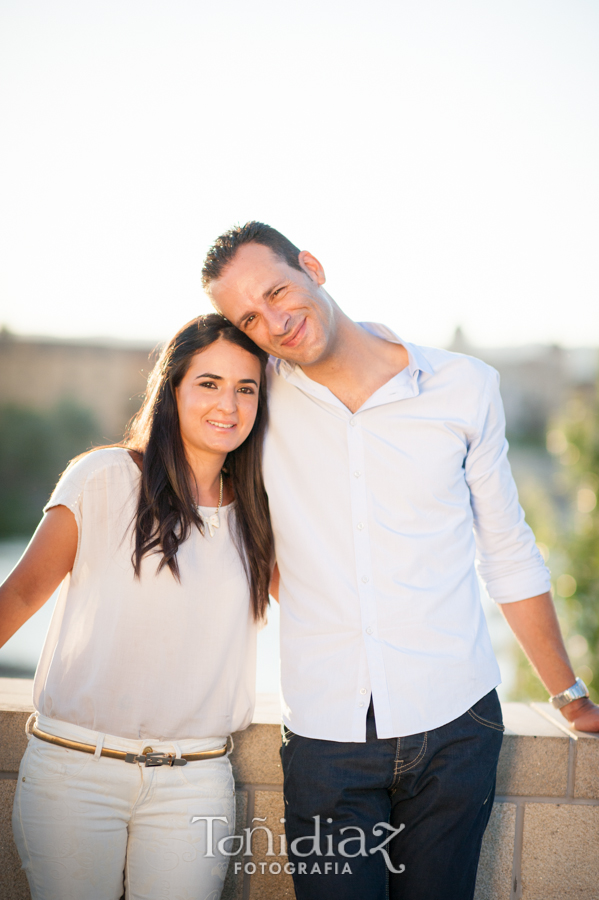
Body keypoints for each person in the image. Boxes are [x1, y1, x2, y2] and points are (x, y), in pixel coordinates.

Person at [201, 222, 599, 900]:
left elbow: (506, 551)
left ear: (312, 267)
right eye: (247, 316)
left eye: (276, 290)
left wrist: (567, 695)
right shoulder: (253, 399)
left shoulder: (462, 386)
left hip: (456, 728)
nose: (273, 320)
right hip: (326, 738)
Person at [1, 314, 274, 900]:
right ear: (172, 389)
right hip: (76, 772)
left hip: (195, 779)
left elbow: (321, 611)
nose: (228, 403)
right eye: (209, 383)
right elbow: (20, 595)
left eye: (246, 388)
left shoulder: (259, 515)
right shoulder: (102, 477)